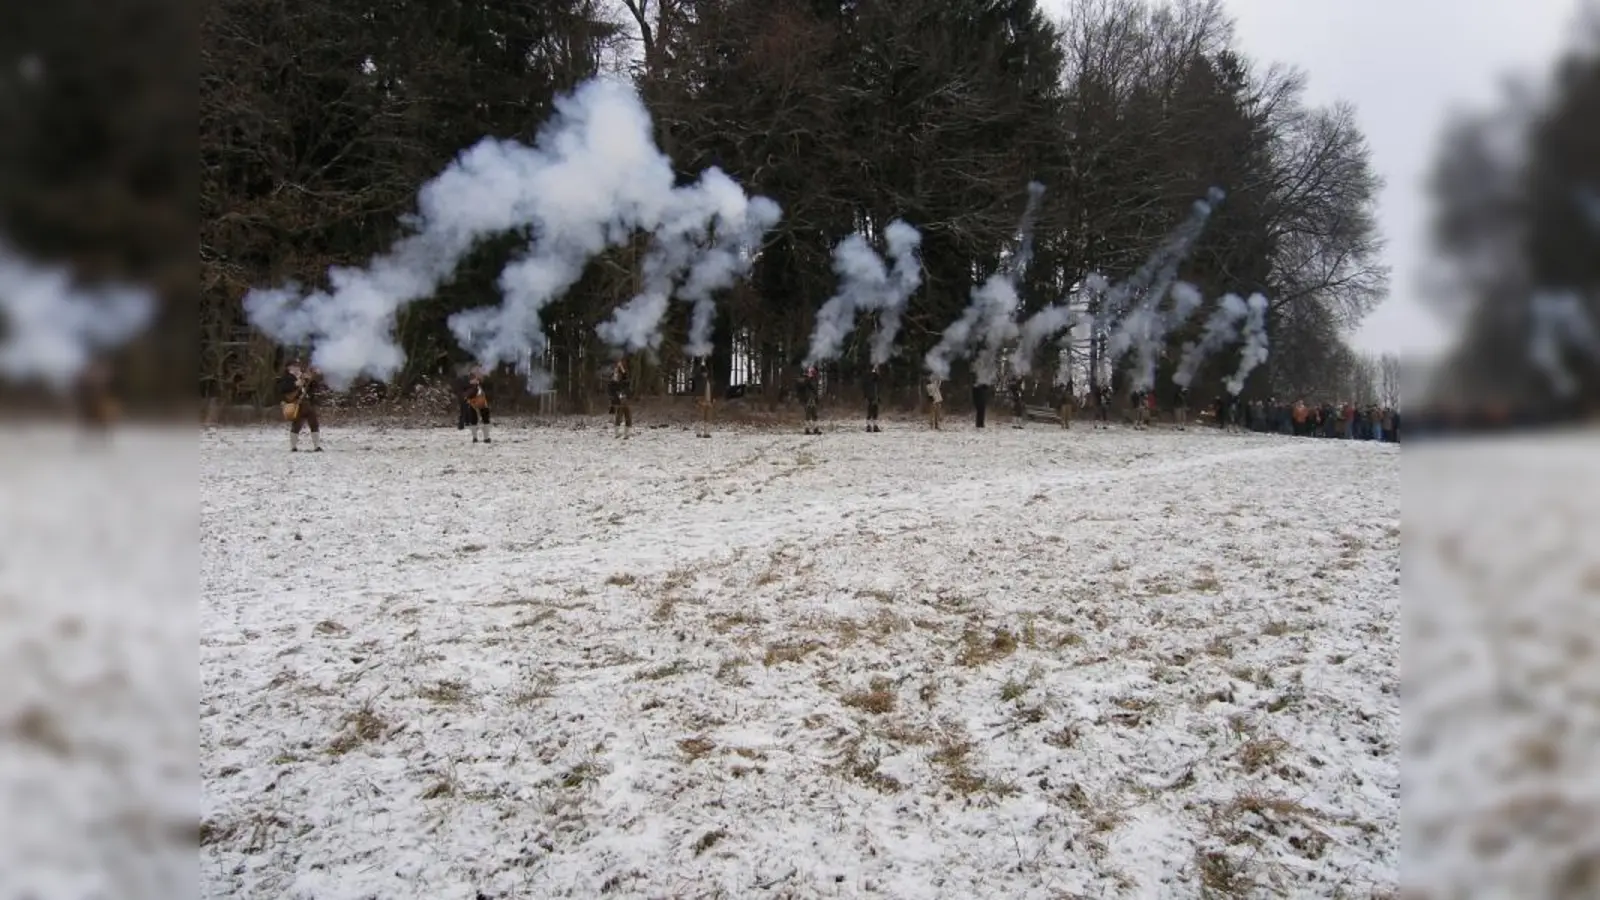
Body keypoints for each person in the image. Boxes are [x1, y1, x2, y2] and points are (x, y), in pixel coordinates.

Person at [275, 359, 323, 452]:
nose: (297, 368)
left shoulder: (303, 377)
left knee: (314, 424)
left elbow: (314, 388)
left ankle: (317, 446)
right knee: (296, 426)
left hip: (307, 404)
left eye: (297, 366)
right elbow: (282, 389)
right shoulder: (287, 378)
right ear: (289, 368)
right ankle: (293, 447)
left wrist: (311, 379)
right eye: (294, 366)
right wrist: (295, 384)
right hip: (296, 404)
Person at [458, 367, 492, 443]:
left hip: (479, 401)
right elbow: (466, 393)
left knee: (483, 419)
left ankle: (483, 438)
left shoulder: (479, 382)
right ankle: (478, 438)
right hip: (475, 402)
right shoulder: (469, 383)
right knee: (476, 420)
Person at [609, 358, 633, 439]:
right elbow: (612, 390)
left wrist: (621, 367)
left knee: (628, 416)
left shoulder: (623, 381)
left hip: (624, 398)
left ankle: (627, 434)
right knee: (619, 416)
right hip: (618, 400)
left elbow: (625, 376)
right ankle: (617, 433)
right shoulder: (612, 383)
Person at [692, 358, 713, 438]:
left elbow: (709, 391)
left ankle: (706, 432)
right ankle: (699, 432)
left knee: (707, 418)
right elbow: (697, 392)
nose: (706, 374)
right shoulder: (699, 381)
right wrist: (698, 400)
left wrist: (709, 400)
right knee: (700, 417)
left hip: (707, 400)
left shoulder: (707, 381)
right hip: (701, 400)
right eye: (705, 373)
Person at [800, 365, 822, 435]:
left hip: (812, 398)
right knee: (808, 415)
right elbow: (806, 386)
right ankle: (807, 429)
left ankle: (815, 429)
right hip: (808, 399)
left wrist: (817, 398)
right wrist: (808, 378)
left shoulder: (814, 379)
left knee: (814, 415)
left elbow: (815, 389)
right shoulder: (806, 379)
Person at [864, 364, 883, 433]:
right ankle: (869, 426)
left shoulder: (875, 379)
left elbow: (878, 380)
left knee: (875, 413)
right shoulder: (870, 377)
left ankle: (874, 426)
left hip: (874, 397)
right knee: (870, 412)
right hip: (871, 397)